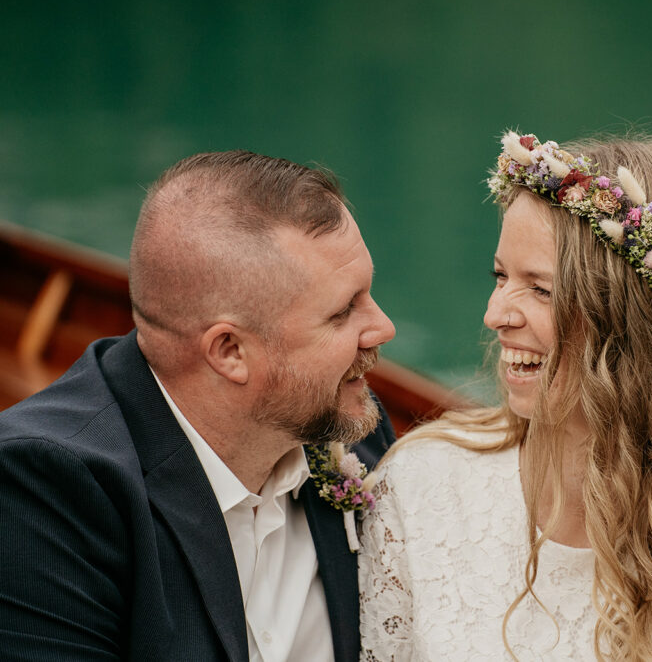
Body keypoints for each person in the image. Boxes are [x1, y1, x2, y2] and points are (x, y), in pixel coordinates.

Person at [359, 131, 652, 660]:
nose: (495, 316)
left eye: (541, 289)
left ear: (632, 324)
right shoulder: (419, 482)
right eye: (500, 276)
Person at [0, 151, 397, 661]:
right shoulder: (44, 490)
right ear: (229, 352)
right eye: (344, 311)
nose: (383, 327)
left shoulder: (349, 428)